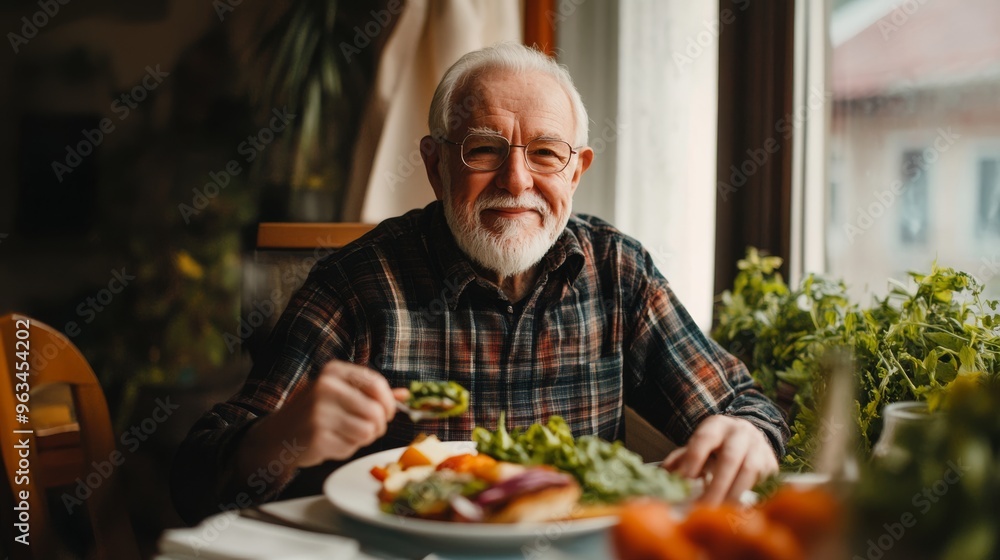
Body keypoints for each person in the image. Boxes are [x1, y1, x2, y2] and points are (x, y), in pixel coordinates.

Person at [171, 42, 788, 523]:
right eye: (485, 150)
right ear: (436, 165)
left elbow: (749, 410)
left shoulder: (619, 273)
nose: (516, 181)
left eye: (546, 153)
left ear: (577, 171)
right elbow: (198, 478)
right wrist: (281, 437)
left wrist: (746, 436)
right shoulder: (357, 285)